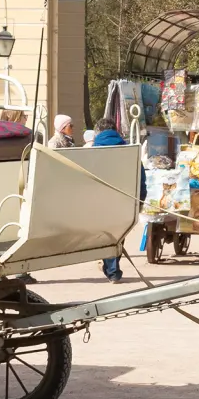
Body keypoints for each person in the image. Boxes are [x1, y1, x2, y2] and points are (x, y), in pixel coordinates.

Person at [89, 116, 127, 282]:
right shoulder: (129, 149)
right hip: (125, 200)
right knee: (119, 236)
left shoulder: (91, 151)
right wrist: (141, 197)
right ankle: (112, 269)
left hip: (100, 201)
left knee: (106, 236)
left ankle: (112, 270)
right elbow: (140, 176)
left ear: (98, 132)